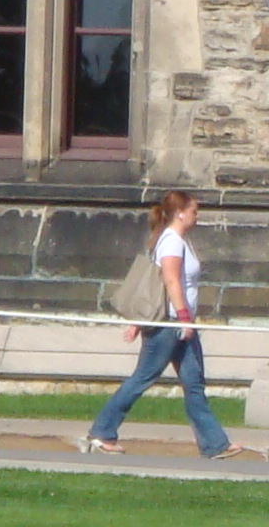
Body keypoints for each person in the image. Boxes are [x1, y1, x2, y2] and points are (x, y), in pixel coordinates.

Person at [87, 190, 244, 459]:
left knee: (193, 384)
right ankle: (102, 432)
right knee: (143, 377)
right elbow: (170, 281)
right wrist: (183, 319)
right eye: (194, 211)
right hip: (169, 325)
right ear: (180, 213)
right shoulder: (171, 241)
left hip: (181, 324)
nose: (197, 216)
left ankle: (214, 444)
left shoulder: (180, 241)